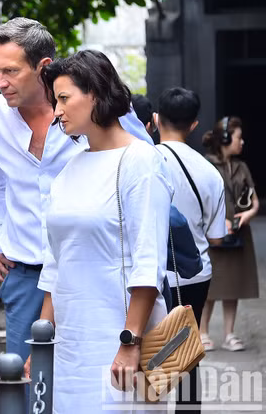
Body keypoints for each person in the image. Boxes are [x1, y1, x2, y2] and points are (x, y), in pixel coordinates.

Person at [0, 18, 151, 370]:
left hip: (93, 269)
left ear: (42, 67)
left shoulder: (94, 109)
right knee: (25, 384)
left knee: (93, 379)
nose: (0, 82)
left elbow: (142, 173)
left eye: (10, 71)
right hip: (26, 272)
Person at [35, 50, 170, 412]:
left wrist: (130, 341)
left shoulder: (141, 161)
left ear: (94, 94)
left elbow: (148, 260)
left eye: (64, 98)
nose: (57, 111)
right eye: (55, 101)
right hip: (69, 342)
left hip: (119, 337)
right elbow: (56, 262)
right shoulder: (70, 168)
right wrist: (43, 337)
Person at [153, 87, 227, 412]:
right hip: (194, 277)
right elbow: (217, 238)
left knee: (147, 355)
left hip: (150, 276)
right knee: (186, 358)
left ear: (155, 119)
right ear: (194, 125)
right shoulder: (210, 172)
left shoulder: (141, 162)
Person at [200, 116, 260, 352]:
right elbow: (200, 201)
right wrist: (217, 222)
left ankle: (229, 334)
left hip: (238, 234)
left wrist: (248, 214)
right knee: (211, 287)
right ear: (225, 139)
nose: (242, 142)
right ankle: (203, 333)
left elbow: (254, 201)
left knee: (232, 286)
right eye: (238, 138)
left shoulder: (242, 167)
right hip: (213, 235)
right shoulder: (206, 166)